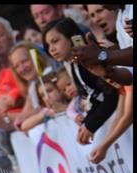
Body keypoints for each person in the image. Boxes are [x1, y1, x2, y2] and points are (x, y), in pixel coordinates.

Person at [43, 17, 121, 145]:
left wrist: (90, 125)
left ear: (71, 38)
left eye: (55, 41)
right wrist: (86, 124)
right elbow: (96, 99)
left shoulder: (89, 60)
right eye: (48, 45)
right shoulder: (73, 65)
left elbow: (112, 95)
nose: (51, 49)